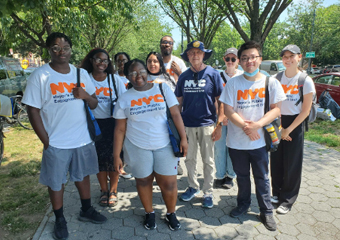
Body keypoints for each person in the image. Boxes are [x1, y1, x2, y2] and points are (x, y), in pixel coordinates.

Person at [22, 32, 107, 240]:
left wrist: (85, 95)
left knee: (83, 176)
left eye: (65, 47)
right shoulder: (41, 76)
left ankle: (86, 210)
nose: (61, 52)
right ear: (49, 51)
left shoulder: (81, 74)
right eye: (56, 48)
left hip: (82, 139)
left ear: (71, 50)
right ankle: (59, 219)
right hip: (56, 142)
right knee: (56, 182)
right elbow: (32, 110)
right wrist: (46, 141)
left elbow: (94, 103)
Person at [113, 59, 188, 231]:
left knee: (169, 183)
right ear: (128, 76)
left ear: (146, 71)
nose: (137, 76)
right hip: (137, 146)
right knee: (144, 181)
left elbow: (176, 115)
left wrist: (183, 138)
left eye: (140, 71)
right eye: (132, 73)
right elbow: (119, 130)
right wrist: (117, 155)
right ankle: (149, 212)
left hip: (165, 145)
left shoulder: (162, 88)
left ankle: (171, 213)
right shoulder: (124, 98)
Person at [219, 41, 286, 231]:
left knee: (262, 177)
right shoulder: (233, 83)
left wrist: (257, 125)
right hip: (237, 142)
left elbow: (276, 110)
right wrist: (246, 127)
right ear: (240, 61)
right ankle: (243, 204)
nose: (250, 61)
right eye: (245, 58)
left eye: (253, 57)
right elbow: (228, 110)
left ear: (260, 59)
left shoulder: (270, 82)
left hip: (259, 142)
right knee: (241, 176)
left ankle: (266, 211)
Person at [175, 40, 224, 208]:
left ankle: (208, 191)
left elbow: (221, 101)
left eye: (198, 52)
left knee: (208, 160)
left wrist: (219, 125)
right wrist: (177, 126)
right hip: (187, 125)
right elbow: (178, 102)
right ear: (188, 56)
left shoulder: (213, 74)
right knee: (189, 159)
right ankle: (192, 187)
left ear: (203, 55)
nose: (195, 55)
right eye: (191, 53)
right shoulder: (183, 76)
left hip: (207, 124)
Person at [270, 44, 316, 215]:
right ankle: (276, 193)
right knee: (276, 160)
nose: (288, 60)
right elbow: (273, 104)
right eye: (285, 57)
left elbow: (305, 111)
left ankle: (287, 199)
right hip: (278, 122)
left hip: (295, 124)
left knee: (292, 163)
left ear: (299, 57)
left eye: (292, 56)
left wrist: (288, 130)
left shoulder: (305, 80)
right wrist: (280, 128)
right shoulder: (276, 78)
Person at [79, 48, 126, 207]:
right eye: (98, 59)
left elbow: (125, 100)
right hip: (93, 124)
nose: (102, 63)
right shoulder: (85, 79)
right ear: (91, 60)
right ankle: (103, 190)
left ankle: (113, 190)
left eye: (105, 60)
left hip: (113, 123)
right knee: (98, 159)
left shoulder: (114, 79)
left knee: (114, 157)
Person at [214, 47, 243, 189]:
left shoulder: (243, 76)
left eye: (233, 59)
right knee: (219, 147)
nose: (230, 61)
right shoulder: (217, 76)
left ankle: (230, 176)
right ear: (224, 59)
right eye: (227, 58)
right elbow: (214, 98)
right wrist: (219, 117)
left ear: (238, 61)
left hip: (237, 118)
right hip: (219, 118)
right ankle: (219, 175)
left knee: (233, 146)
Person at [160, 36, 187, 175]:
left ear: (172, 45)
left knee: (175, 132)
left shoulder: (179, 62)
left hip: (175, 103)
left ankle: (177, 162)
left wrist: (179, 74)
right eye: (164, 42)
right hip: (158, 104)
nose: (167, 45)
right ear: (160, 45)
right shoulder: (156, 61)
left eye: (169, 43)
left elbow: (186, 82)